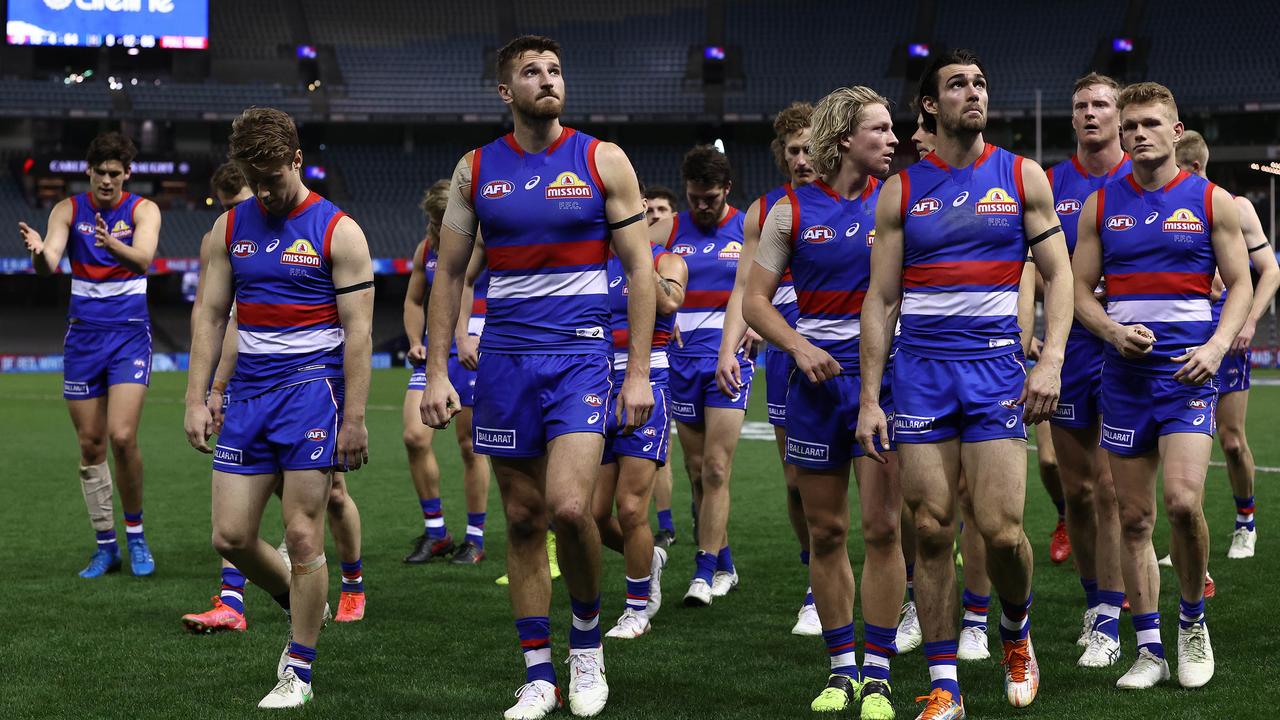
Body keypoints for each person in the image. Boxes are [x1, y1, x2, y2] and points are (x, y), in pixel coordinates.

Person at [420, 35, 656, 720]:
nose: (548, 79)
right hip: (503, 363)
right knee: (522, 519)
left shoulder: (601, 158)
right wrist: (438, 369)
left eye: (555, 69)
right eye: (532, 72)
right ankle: (537, 674)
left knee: (571, 508)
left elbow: (641, 269)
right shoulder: (475, 171)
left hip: (581, 356)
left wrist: (636, 372)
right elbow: (450, 275)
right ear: (506, 92)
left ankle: (586, 647)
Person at [857, 49, 1073, 717]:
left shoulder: (1021, 175)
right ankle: (944, 685)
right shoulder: (900, 189)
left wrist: (1051, 359)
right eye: (957, 85)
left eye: (980, 82)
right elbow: (881, 299)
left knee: (1002, 531)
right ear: (930, 104)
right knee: (930, 528)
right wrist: (870, 397)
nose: (973, 93)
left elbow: (1061, 277)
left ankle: (1015, 633)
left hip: (993, 374)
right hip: (920, 374)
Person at [184, 107, 374, 708]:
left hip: (312, 395)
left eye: (274, 177)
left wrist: (355, 417)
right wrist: (198, 397)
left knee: (300, 530)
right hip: (249, 397)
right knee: (232, 536)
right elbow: (211, 316)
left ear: (298, 160)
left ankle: (298, 667)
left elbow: (360, 333)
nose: (265, 190)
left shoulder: (338, 230)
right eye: (254, 178)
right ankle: (300, 598)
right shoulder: (228, 228)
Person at [1072, 82, 1251, 690]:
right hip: (1123, 376)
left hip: (1188, 373)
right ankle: (1149, 648)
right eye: (1130, 127)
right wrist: (1111, 331)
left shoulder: (1211, 200)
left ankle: (1193, 622)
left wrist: (1217, 345)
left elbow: (1242, 283)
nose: (1139, 134)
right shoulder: (1099, 206)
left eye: (1151, 124)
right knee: (1134, 517)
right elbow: (1075, 294)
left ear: (1177, 132)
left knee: (1182, 503)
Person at [744, 85, 902, 719]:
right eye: (880, 130)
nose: (893, 141)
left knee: (885, 528)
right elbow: (754, 300)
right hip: (813, 388)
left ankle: (882, 673)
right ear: (845, 141)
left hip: (883, 387)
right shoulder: (788, 211)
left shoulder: (901, 204)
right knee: (828, 531)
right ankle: (843, 669)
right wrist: (798, 347)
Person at [19, 131, 161, 579]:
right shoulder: (68, 210)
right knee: (90, 444)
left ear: (127, 174)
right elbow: (52, 262)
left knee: (121, 437)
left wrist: (111, 243)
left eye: (114, 173)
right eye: (99, 172)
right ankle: (106, 545)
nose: (106, 180)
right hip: (83, 338)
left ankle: (136, 536)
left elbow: (143, 259)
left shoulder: (143, 209)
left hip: (128, 336)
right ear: (88, 172)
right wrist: (40, 255)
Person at [1038, 73, 1133, 667]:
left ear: (1119, 116)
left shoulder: (1143, 175)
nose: (1090, 114)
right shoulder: (1051, 183)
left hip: (1128, 349)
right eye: (1081, 106)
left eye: (1101, 105)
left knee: (1112, 491)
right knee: (1076, 488)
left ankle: (1114, 615)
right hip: (1070, 348)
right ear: (1072, 118)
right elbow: (1035, 265)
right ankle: (1094, 601)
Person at [724, 101, 823, 635]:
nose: (803, 159)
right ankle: (815, 583)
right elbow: (745, 287)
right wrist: (730, 344)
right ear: (781, 156)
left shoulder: (860, 198)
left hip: (854, 351)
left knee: (886, 478)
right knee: (795, 480)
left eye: (810, 147)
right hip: (787, 353)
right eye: (794, 151)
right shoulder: (765, 211)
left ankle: (903, 584)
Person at [1175, 130, 1279, 561]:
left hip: (1229, 329)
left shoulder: (1235, 207)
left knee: (1231, 440)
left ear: (1195, 167)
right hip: (1183, 333)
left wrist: (1249, 321)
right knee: (1177, 437)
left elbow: (1269, 271)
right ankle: (1183, 539)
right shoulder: (1162, 207)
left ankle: (1245, 522)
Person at [660, 145, 749, 607]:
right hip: (680, 361)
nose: (701, 206)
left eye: (710, 197)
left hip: (729, 359)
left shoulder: (747, 226)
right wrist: (661, 309)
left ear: (726, 191)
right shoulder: (669, 228)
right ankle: (725, 563)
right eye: (695, 197)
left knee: (716, 468)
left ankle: (702, 570)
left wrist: (753, 322)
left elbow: (775, 279)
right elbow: (636, 263)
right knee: (696, 472)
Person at [591, 228, 686, 638]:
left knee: (630, 508)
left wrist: (635, 257)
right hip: (592, 385)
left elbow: (669, 299)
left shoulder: (665, 260)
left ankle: (636, 610)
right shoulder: (592, 257)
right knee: (591, 515)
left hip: (648, 386)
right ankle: (649, 561)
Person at [403, 180, 493, 565]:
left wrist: (468, 337)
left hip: (472, 348)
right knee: (414, 437)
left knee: (470, 445)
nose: (444, 226)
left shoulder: (484, 241)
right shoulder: (427, 249)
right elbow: (412, 299)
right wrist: (413, 340)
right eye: (438, 220)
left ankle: (475, 537)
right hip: (435, 352)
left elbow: (468, 288)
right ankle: (436, 531)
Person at [642, 182, 680, 548]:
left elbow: (672, 300)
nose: (654, 217)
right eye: (648, 210)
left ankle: (667, 524)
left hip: (663, 363)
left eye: (660, 212)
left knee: (665, 453)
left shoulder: (670, 259)